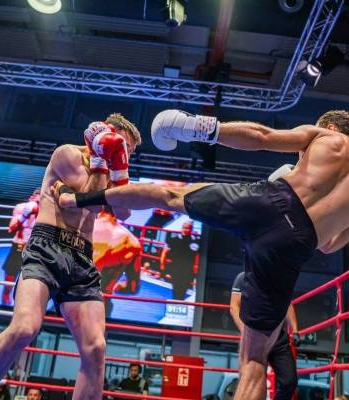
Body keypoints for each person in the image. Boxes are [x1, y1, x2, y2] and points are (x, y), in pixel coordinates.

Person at [51, 109, 349, 400]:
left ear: (332, 127)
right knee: (254, 359)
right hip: (296, 245)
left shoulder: (328, 138)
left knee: (170, 197)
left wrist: (201, 128)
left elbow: (263, 136)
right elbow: (328, 246)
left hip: (272, 202)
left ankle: (75, 200)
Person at [0, 113, 141, 400]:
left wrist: (118, 172)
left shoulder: (111, 172)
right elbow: (91, 201)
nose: (123, 155)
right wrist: (100, 158)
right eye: (123, 146)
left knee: (96, 348)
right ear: (108, 134)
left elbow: (124, 211)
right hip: (47, 247)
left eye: (127, 152)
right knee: (24, 328)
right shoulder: (67, 154)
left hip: (82, 258)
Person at [230, 271, 300, 400]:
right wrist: (247, 333)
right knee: (252, 381)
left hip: (278, 337)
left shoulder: (278, 278)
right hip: (255, 338)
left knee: (289, 382)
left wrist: (295, 330)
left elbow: (287, 304)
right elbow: (234, 306)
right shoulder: (243, 278)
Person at [2, 189, 40, 305]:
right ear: (31, 198)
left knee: (30, 282)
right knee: (9, 278)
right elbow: (11, 229)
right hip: (19, 245)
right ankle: (5, 301)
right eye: (36, 198)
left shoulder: (48, 212)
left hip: (36, 249)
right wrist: (24, 215)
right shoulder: (21, 208)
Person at [159, 220, 200, 299]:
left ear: (191, 229)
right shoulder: (173, 239)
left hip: (188, 270)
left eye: (188, 228)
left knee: (184, 290)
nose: (186, 230)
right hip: (175, 269)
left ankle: (180, 302)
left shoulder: (196, 241)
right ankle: (176, 301)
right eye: (184, 228)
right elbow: (164, 253)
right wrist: (162, 266)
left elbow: (197, 256)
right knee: (176, 289)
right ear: (181, 228)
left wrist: (196, 269)